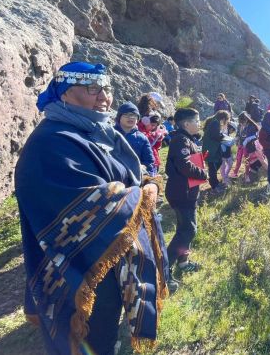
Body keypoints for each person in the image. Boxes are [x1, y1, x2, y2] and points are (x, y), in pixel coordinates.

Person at [15, 62, 168, 355]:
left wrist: (143, 180)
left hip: (103, 255)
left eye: (106, 89)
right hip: (76, 266)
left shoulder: (95, 130)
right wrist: (145, 193)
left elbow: (123, 173)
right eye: (92, 89)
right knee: (92, 334)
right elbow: (91, 201)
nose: (104, 97)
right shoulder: (50, 142)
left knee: (106, 328)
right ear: (65, 95)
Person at [165, 108, 207, 289]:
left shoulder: (187, 139)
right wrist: (203, 174)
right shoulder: (180, 140)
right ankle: (163, 270)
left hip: (188, 193)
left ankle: (183, 262)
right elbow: (184, 165)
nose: (199, 124)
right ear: (186, 124)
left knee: (187, 228)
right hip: (181, 194)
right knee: (187, 231)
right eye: (196, 121)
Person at [115, 101, 156, 175]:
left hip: (135, 177)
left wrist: (145, 171)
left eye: (134, 115)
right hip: (113, 175)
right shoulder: (110, 133)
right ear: (119, 117)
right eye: (126, 114)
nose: (130, 117)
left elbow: (149, 161)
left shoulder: (142, 138)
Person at [202, 110, 231, 192]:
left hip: (211, 148)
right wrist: (225, 138)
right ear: (223, 118)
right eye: (227, 120)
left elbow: (213, 134)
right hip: (210, 149)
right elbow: (215, 136)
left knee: (217, 162)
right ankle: (214, 185)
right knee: (212, 167)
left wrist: (222, 136)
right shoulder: (215, 123)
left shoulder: (214, 121)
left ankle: (214, 181)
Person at [230, 112, 259, 180]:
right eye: (240, 122)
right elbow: (238, 134)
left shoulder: (251, 126)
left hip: (247, 146)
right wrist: (236, 139)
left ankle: (247, 175)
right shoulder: (239, 125)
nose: (241, 123)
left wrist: (246, 140)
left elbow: (253, 136)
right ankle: (235, 172)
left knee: (247, 160)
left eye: (242, 122)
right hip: (240, 145)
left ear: (246, 120)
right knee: (238, 159)